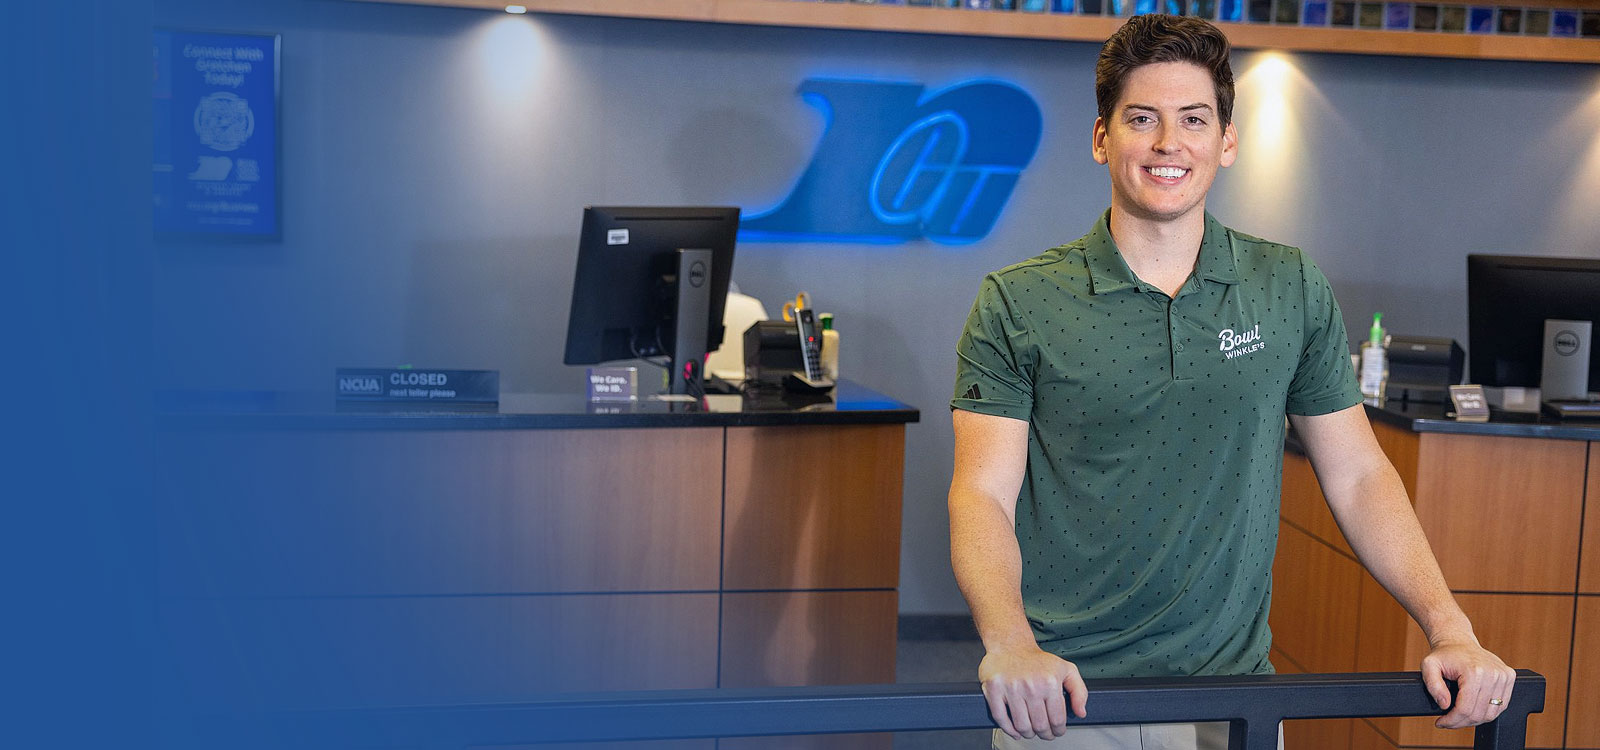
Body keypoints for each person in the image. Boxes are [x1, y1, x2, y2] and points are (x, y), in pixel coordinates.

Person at [947, 13, 1515, 749]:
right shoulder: (1018, 300)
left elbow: (1357, 473)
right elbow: (981, 493)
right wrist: (1010, 642)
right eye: (1141, 119)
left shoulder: (1288, 285)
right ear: (1101, 139)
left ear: (1226, 141)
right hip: (1067, 697)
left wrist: (1451, 625)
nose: (1167, 144)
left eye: (1193, 119)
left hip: (1238, 698)